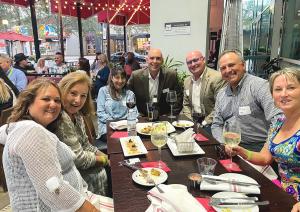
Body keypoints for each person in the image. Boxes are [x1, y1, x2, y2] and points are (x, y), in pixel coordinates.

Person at [0, 78, 101, 211]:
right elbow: (53, 188)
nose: (53, 104)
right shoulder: (31, 131)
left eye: (57, 100)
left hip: (76, 200)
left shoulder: (31, 128)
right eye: (46, 99)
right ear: (28, 103)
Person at [227, 68, 300, 208]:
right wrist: (241, 151)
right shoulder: (279, 121)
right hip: (284, 196)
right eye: (278, 89)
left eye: (291, 88)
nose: (284, 94)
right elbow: (265, 158)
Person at [211, 49, 281, 152]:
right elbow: (216, 124)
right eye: (223, 68)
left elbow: (278, 118)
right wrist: (224, 143)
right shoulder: (221, 94)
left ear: (243, 65)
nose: (227, 70)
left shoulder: (259, 86)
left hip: (258, 148)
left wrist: (267, 150)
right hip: (230, 144)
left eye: (231, 65)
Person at [55, 71, 108, 196]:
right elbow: (78, 159)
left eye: (83, 95)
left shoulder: (77, 115)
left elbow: (86, 145)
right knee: (101, 173)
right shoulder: (62, 118)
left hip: (75, 165)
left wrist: (107, 158)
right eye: (73, 93)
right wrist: (104, 160)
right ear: (62, 91)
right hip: (64, 174)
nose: (78, 100)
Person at [127, 48, 183, 116]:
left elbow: (179, 97)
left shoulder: (171, 75)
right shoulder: (136, 76)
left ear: (162, 61)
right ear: (147, 60)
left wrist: (171, 115)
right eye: (152, 58)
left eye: (158, 58)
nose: (155, 61)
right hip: (142, 117)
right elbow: (127, 96)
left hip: (164, 118)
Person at [180, 50, 225, 130]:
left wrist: (203, 123)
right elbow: (186, 104)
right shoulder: (187, 81)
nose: (193, 64)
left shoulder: (217, 78)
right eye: (189, 62)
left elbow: (219, 107)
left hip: (210, 123)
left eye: (195, 60)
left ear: (203, 60)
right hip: (192, 121)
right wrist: (190, 122)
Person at [97, 66, 138, 143]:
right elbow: (100, 113)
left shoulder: (130, 94)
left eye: (123, 78)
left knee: (134, 138)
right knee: (123, 140)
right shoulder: (103, 91)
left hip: (126, 127)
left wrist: (124, 124)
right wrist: (116, 123)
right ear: (112, 78)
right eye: (117, 77)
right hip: (108, 129)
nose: (120, 81)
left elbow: (134, 113)